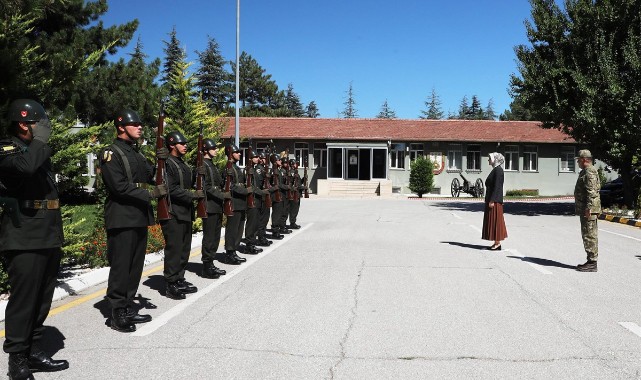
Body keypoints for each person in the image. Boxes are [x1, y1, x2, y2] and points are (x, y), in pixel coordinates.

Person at [0, 99, 69, 379]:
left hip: (46, 234)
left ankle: (34, 350)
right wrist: (40, 140)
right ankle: (17, 359)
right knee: (25, 300)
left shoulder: (35, 150)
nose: (44, 130)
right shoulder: (5, 148)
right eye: (39, 124)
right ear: (22, 123)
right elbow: (25, 168)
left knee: (42, 299)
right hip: (23, 236)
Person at [100, 109, 168, 333]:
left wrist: (161, 160)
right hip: (122, 216)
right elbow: (118, 187)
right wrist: (150, 194)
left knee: (135, 266)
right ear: (121, 127)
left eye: (140, 124)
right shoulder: (111, 153)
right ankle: (117, 312)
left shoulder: (136, 154)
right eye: (135, 124)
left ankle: (128, 306)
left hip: (138, 216)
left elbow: (150, 176)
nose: (140, 127)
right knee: (121, 267)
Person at [161, 131, 203, 299]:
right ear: (172, 145)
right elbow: (171, 188)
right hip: (173, 212)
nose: (185, 145)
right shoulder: (167, 164)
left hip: (185, 212)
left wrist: (198, 174)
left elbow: (187, 183)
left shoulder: (182, 164)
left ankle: (179, 278)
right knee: (174, 249)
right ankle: (171, 284)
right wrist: (192, 195)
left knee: (184, 249)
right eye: (182, 143)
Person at [200, 138, 227, 279]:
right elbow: (207, 187)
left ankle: (210, 263)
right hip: (209, 206)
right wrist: (223, 196)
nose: (216, 150)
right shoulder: (203, 165)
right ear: (205, 149)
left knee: (216, 237)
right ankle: (206, 266)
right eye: (213, 148)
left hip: (216, 206)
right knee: (209, 237)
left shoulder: (212, 164)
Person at [220, 144, 250, 264]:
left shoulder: (236, 168)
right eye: (237, 152)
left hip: (241, 203)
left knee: (239, 229)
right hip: (233, 203)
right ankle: (229, 253)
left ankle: (234, 251)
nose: (240, 154)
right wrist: (245, 191)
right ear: (231, 154)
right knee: (232, 230)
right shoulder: (228, 168)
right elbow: (230, 186)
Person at [574, 149, 601, 272]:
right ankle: (590, 261)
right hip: (586, 209)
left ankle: (592, 262)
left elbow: (592, 192)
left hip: (588, 210)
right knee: (587, 234)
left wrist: (589, 208)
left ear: (584, 159)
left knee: (590, 235)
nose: (577, 162)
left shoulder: (589, 171)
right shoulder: (585, 171)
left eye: (578, 160)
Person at [482, 152, 508, 250]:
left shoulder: (498, 171)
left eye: (489, 159)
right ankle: (496, 242)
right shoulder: (496, 170)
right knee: (493, 221)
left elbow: (497, 187)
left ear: (495, 159)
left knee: (496, 221)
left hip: (495, 200)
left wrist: (492, 200)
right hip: (493, 199)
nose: (488, 160)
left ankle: (497, 243)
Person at [242, 149, 264, 254]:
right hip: (252, 200)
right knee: (251, 224)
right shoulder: (248, 170)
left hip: (257, 200)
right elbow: (251, 187)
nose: (257, 159)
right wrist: (262, 192)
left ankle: (253, 243)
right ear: (250, 159)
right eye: (255, 157)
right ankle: (248, 245)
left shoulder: (255, 169)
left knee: (256, 223)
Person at [287, 158, 302, 229]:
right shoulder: (292, 172)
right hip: (294, 193)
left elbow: (298, 182)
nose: (297, 165)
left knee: (296, 209)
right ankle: (292, 223)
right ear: (292, 165)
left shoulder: (296, 172)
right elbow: (292, 184)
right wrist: (301, 187)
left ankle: (293, 222)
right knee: (293, 209)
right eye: (295, 163)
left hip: (297, 193)